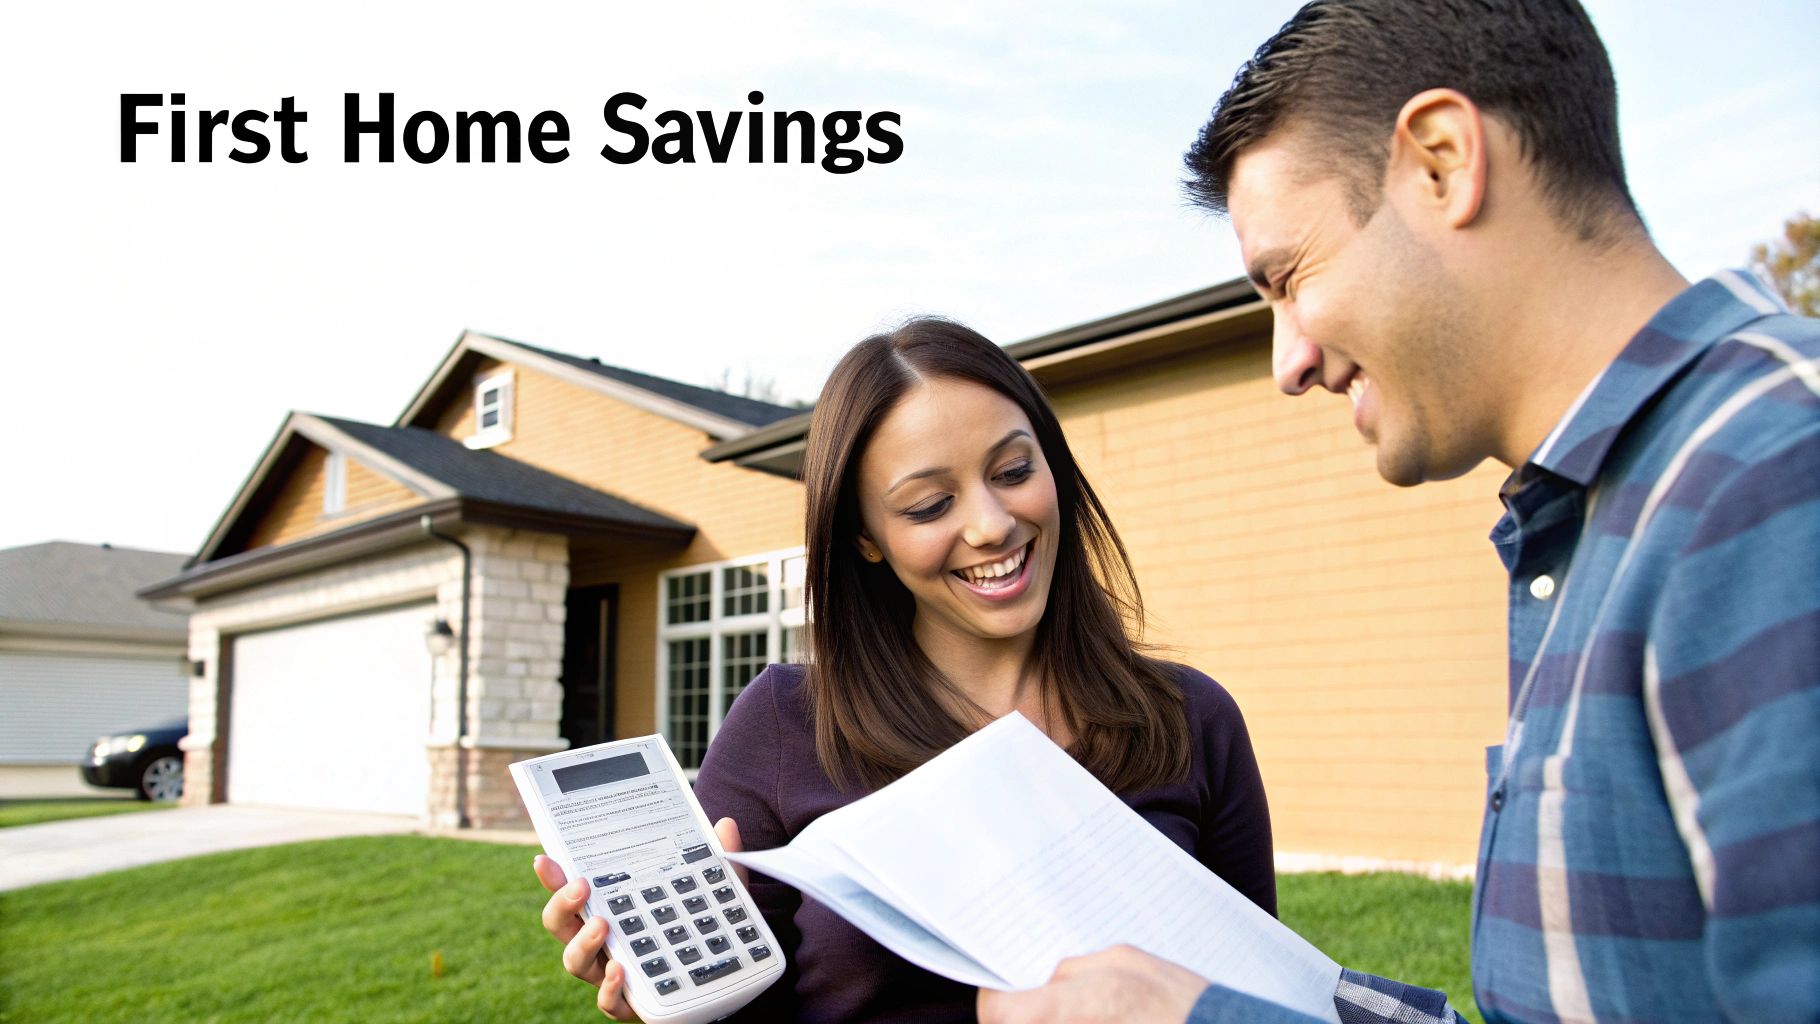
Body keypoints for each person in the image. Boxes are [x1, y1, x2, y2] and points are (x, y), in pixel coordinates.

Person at [979, 1, 1820, 1022]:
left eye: (1286, 279)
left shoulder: (1775, 478)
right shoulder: (1595, 523)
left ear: (1439, 161)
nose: (1286, 361)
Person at [534, 318, 1282, 1021]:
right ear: (865, 537)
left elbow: (1267, 999)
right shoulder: (783, 727)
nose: (991, 524)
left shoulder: (1190, 719)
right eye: (929, 505)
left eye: (1015, 469)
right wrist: (683, 1006)